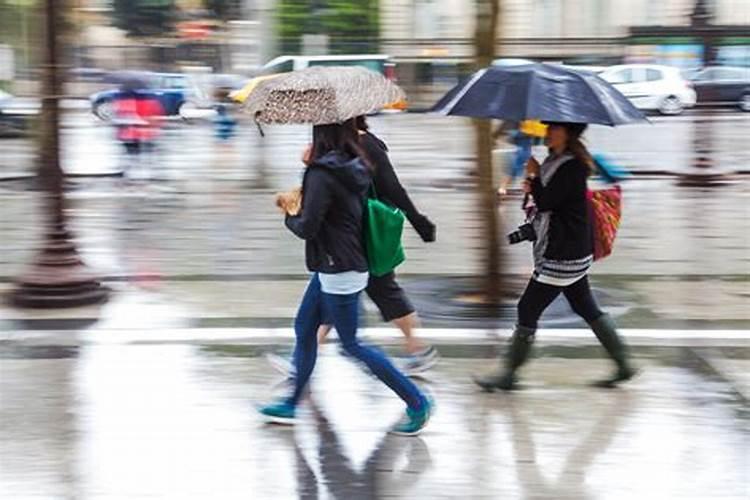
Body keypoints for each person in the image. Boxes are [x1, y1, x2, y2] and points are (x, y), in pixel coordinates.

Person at [258, 122, 433, 436]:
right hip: (341, 261)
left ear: (320, 136)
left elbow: (308, 227)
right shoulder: (353, 165)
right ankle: (291, 403)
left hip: (337, 267)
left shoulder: (322, 174)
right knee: (304, 327)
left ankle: (417, 401)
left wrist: (288, 212)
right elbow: (334, 211)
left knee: (353, 344)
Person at [474, 122, 637, 391]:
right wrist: (531, 190)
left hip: (563, 255)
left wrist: (535, 177)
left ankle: (509, 374)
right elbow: (547, 210)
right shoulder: (556, 160)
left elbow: (549, 202)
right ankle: (624, 365)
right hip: (571, 249)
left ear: (568, 133)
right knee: (586, 307)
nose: (548, 131)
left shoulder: (572, 167)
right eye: (548, 127)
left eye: (554, 128)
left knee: (527, 308)